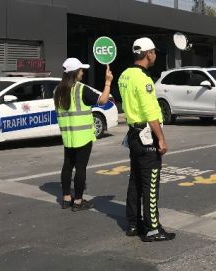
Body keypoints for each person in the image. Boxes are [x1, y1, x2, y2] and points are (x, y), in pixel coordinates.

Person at [118, 37, 175, 242]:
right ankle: (152, 229)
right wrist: (161, 139)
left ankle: (133, 224)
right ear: (148, 54)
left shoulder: (125, 75)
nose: (155, 55)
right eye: (154, 52)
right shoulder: (144, 79)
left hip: (133, 133)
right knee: (150, 183)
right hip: (146, 135)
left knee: (135, 180)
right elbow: (150, 112)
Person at [54, 57, 113, 211]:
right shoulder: (81, 89)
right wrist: (108, 82)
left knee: (67, 166)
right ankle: (78, 201)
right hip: (83, 136)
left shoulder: (58, 90)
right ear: (75, 72)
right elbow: (103, 100)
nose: (82, 73)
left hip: (68, 136)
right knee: (80, 168)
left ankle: (66, 199)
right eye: (81, 70)